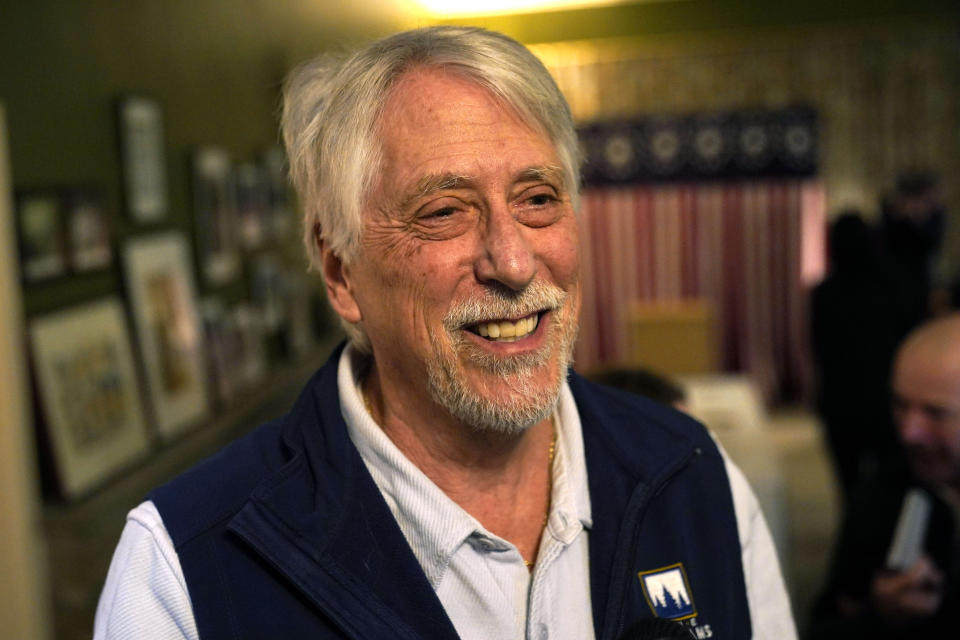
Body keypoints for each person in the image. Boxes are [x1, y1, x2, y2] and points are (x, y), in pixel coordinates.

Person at [94, 26, 795, 640]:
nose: (514, 262)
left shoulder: (692, 475)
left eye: (539, 199)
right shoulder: (186, 566)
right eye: (444, 212)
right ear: (341, 272)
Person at [809, 314, 960, 638]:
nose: (910, 433)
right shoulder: (883, 494)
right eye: (901, 406)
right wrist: (879, 616)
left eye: (935, 413)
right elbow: (822, 627)